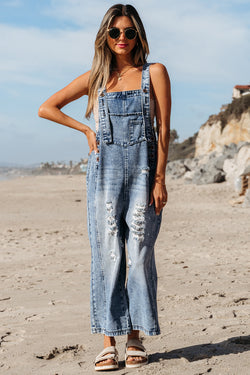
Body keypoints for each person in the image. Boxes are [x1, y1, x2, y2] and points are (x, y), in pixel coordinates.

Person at [38, 3, 171, 371]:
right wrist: (86, 130)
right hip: (103, 175)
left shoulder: (154, 73)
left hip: (145, 173)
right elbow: (47, 107)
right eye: (115, 32)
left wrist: (160, 179)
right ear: (105, 36)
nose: (122, 39)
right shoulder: (96, 78)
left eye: (129, 32)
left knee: (140, 255)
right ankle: (108, 341)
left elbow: (162, 132)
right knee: (108, 255)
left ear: (139, 35)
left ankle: (134, 337)